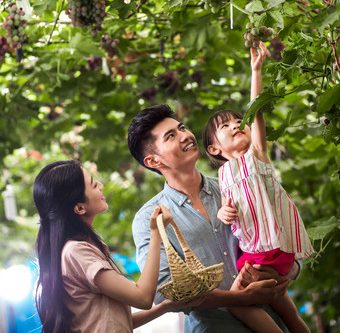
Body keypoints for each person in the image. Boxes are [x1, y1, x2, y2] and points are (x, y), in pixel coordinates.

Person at [129, 104, 300, 333]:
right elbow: (163, 291)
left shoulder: (237, 184)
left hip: (278, 321)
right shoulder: (149, 220)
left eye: (181, 128)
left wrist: (285, 273)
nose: (185, 136)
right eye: (171, 136)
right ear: (153, 161)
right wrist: (239, 298)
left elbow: (285, 236)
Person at [202, 41, 313, 333]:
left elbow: (256, 108)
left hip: (270, 247)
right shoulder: (225, 175)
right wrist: (224, 214)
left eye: (240, 121)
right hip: (259, 249)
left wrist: (257, 70)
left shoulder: (256, 155)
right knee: (287, 312)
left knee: (238, 301)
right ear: (214, 148)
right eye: (225, 126)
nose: (236, 125)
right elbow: (230, 211)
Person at [33, 159, 191, 333]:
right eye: (93, 185)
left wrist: (165, 307)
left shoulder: (80, 247)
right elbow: (143, 297)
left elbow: (115, 321)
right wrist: (156, 233)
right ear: (79, 208)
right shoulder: (76, 251)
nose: (100, 185)